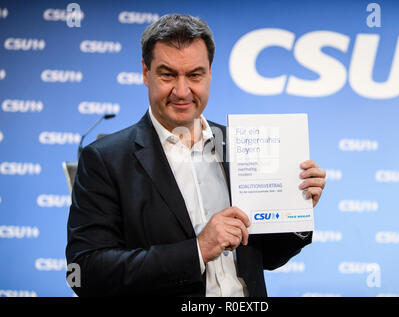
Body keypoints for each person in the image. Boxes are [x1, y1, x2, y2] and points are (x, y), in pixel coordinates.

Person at [66, 13, 326, 297]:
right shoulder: (104, 160)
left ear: (210, 72)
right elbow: (86, 272)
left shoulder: (240, 144)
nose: (182, 90)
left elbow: (267, 257)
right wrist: (198, 250)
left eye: (194, 75)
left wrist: (297, 211)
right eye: (167, 74)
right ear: (145, 72)